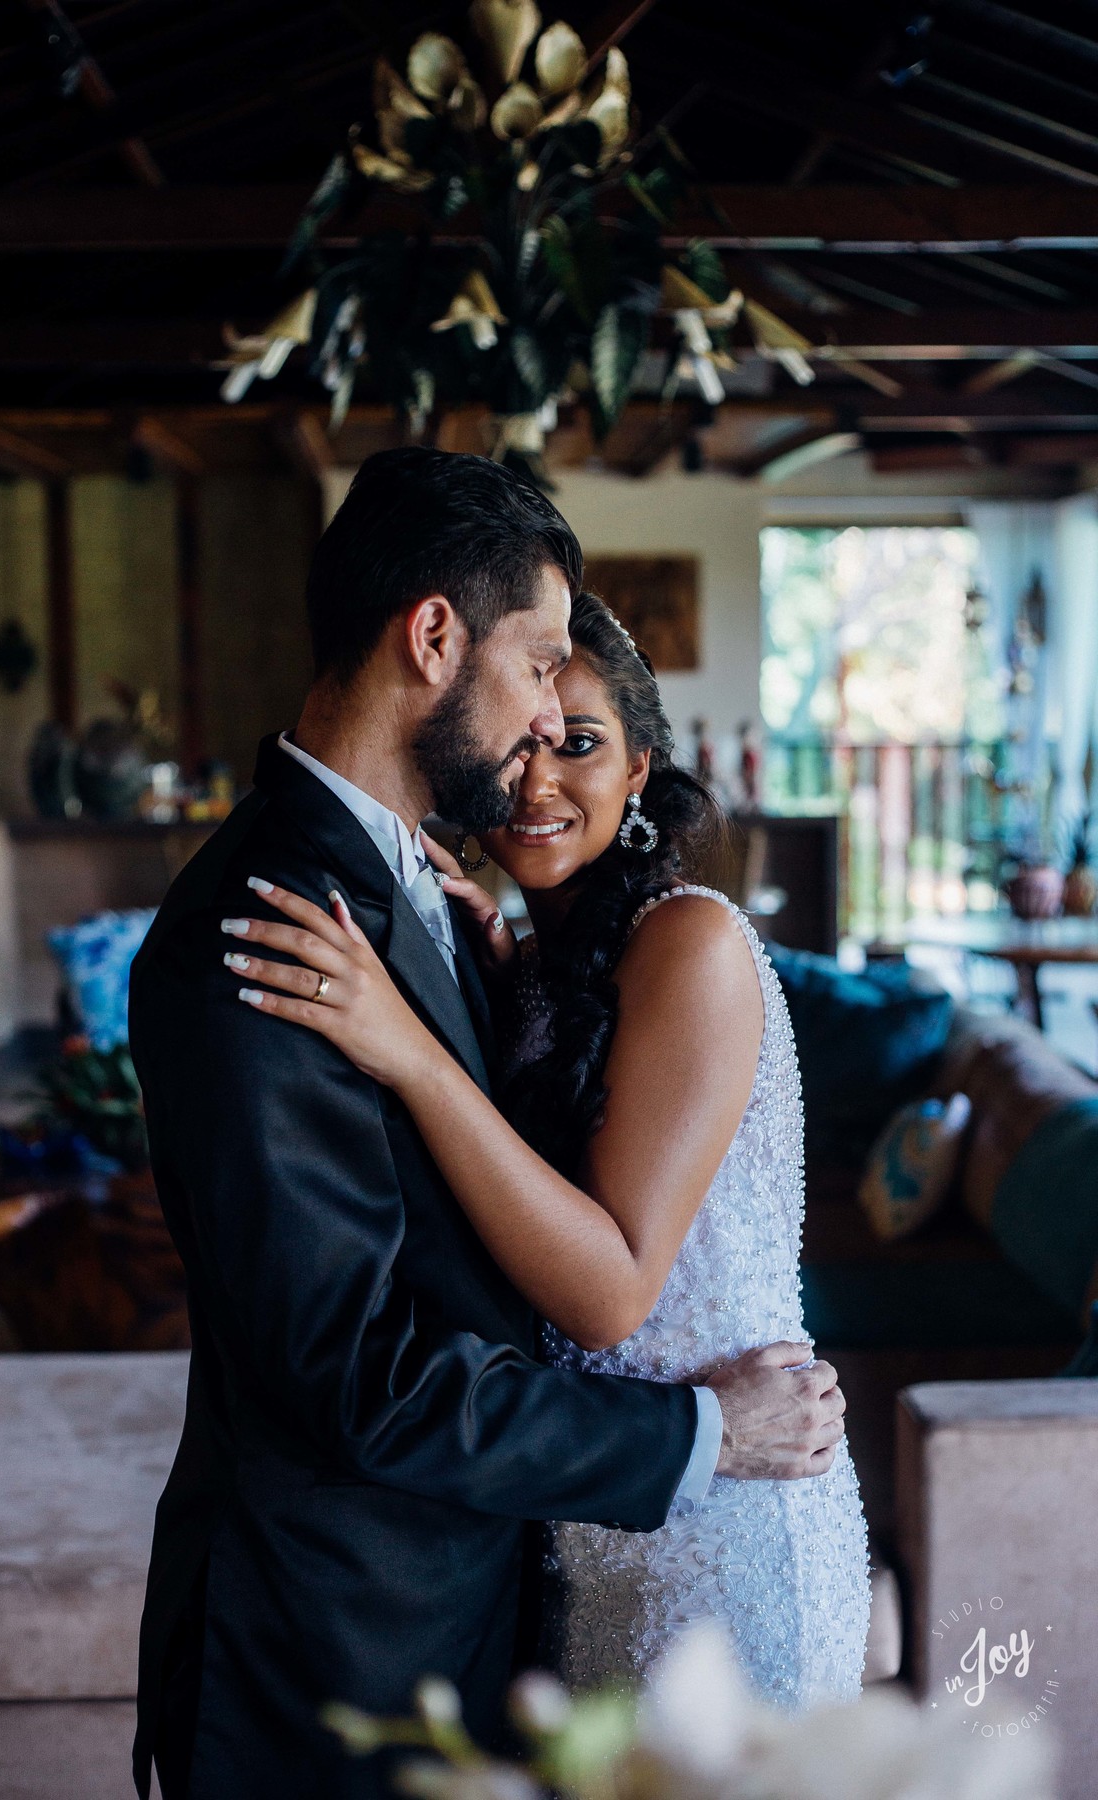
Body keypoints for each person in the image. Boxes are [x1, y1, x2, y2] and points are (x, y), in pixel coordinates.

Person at [130, 449, 848, 1800]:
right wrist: (698, 1437)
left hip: (498, 1601)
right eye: (535, 667)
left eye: (578, 721)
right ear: (435, 637)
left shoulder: (427, 895)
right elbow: (360, 1375)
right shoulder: (259, 930)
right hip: (332, 1656)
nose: (535, 726)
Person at [227, 587, 870, 1710]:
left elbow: (612, 1295)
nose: (537, 781)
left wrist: (414, 1053)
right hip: (587, 1528)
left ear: (639, 774)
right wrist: (481, 994)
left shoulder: (692, 940)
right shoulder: (532, 963)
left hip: (723, 1536)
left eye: (580, 744)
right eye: (521, 744)